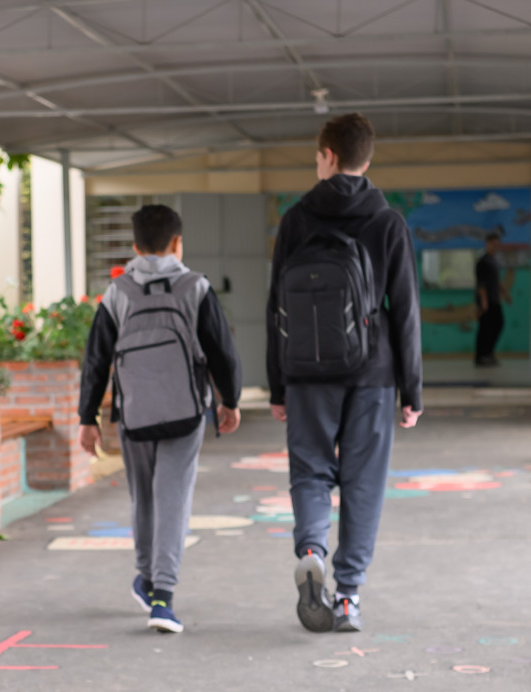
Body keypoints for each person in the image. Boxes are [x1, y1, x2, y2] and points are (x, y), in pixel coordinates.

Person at [266, 112, 422, 634]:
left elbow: (275, 307)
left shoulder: (295, 219)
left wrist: (277, 384)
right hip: (373, 372)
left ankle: (311, 549)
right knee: (364, 483)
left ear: (328, 156)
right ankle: (348, 595)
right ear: (366, 160)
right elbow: (405, 308)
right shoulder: (388, 221)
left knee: (310, 470)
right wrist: (412, 390)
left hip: (306, 370)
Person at [78, 204, 242, 634]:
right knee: (173, 499)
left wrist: (87, 417)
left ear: (135, 247)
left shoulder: (118, 292)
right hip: (186, 413)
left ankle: (147, 578)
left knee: (144, 499)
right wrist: (230, 401)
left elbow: (96, 359)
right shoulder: (196, 287)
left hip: (133, 415)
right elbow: (222, 351)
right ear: (177, 243)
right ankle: (162, 597)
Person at [475, 233, 508, 367]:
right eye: (493, 244)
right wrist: (484, 301)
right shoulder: (483, 262)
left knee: (497, 324)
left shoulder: (493, 261)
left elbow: (496, 280)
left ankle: (488, 352)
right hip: (486, 301)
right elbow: (481, 283)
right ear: (487, 244)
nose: (496, 247)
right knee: (485, 328)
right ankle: (481, 356)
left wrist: (505, 293)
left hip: (494, 299)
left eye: (497, 245)